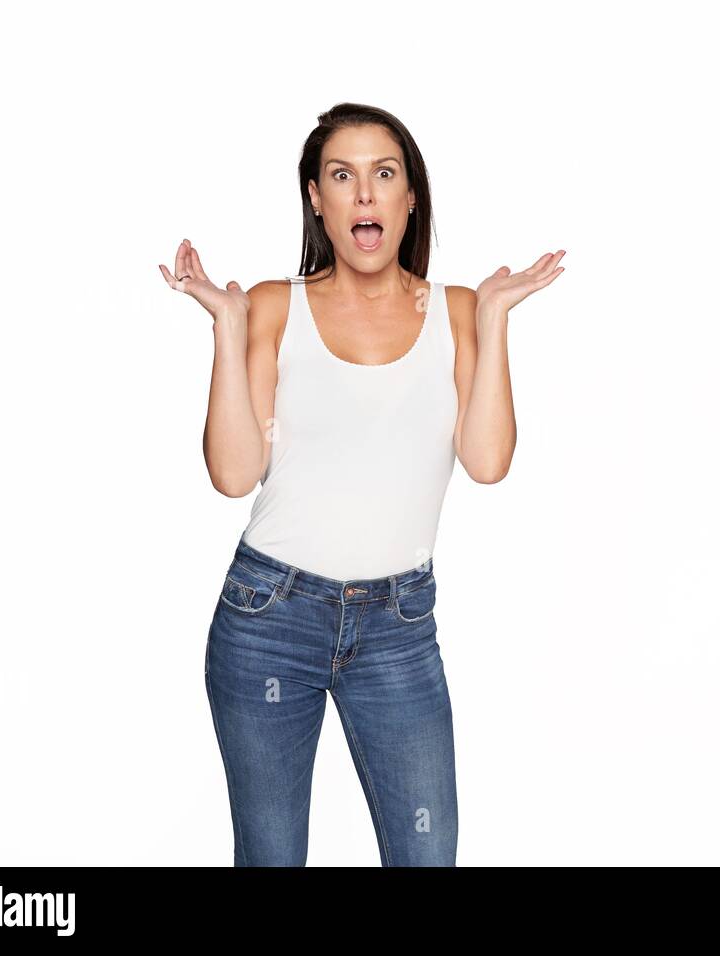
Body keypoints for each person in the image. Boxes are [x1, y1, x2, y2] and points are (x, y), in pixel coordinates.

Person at [158, 103, 565, 866]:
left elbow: (487, 461)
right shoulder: (275, 308)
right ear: (318, 197)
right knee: (271, 856)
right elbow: (233, 473)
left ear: (411, 197)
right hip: (269, 617)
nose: (366, 194)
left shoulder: (460, 312)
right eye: (344, 176)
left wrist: (499, 319)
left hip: (398, 629)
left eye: (385, 174)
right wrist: (226, 326)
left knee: (427, 854)